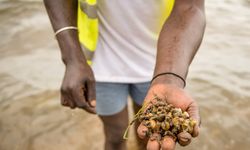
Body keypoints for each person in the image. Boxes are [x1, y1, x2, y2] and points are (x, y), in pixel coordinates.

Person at [43, 0, 205, 150]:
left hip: (159, 64)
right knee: (115, 135)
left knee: (147, 136)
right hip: (102, 64)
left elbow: (190, 7)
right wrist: (72, 58)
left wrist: (169, 76)